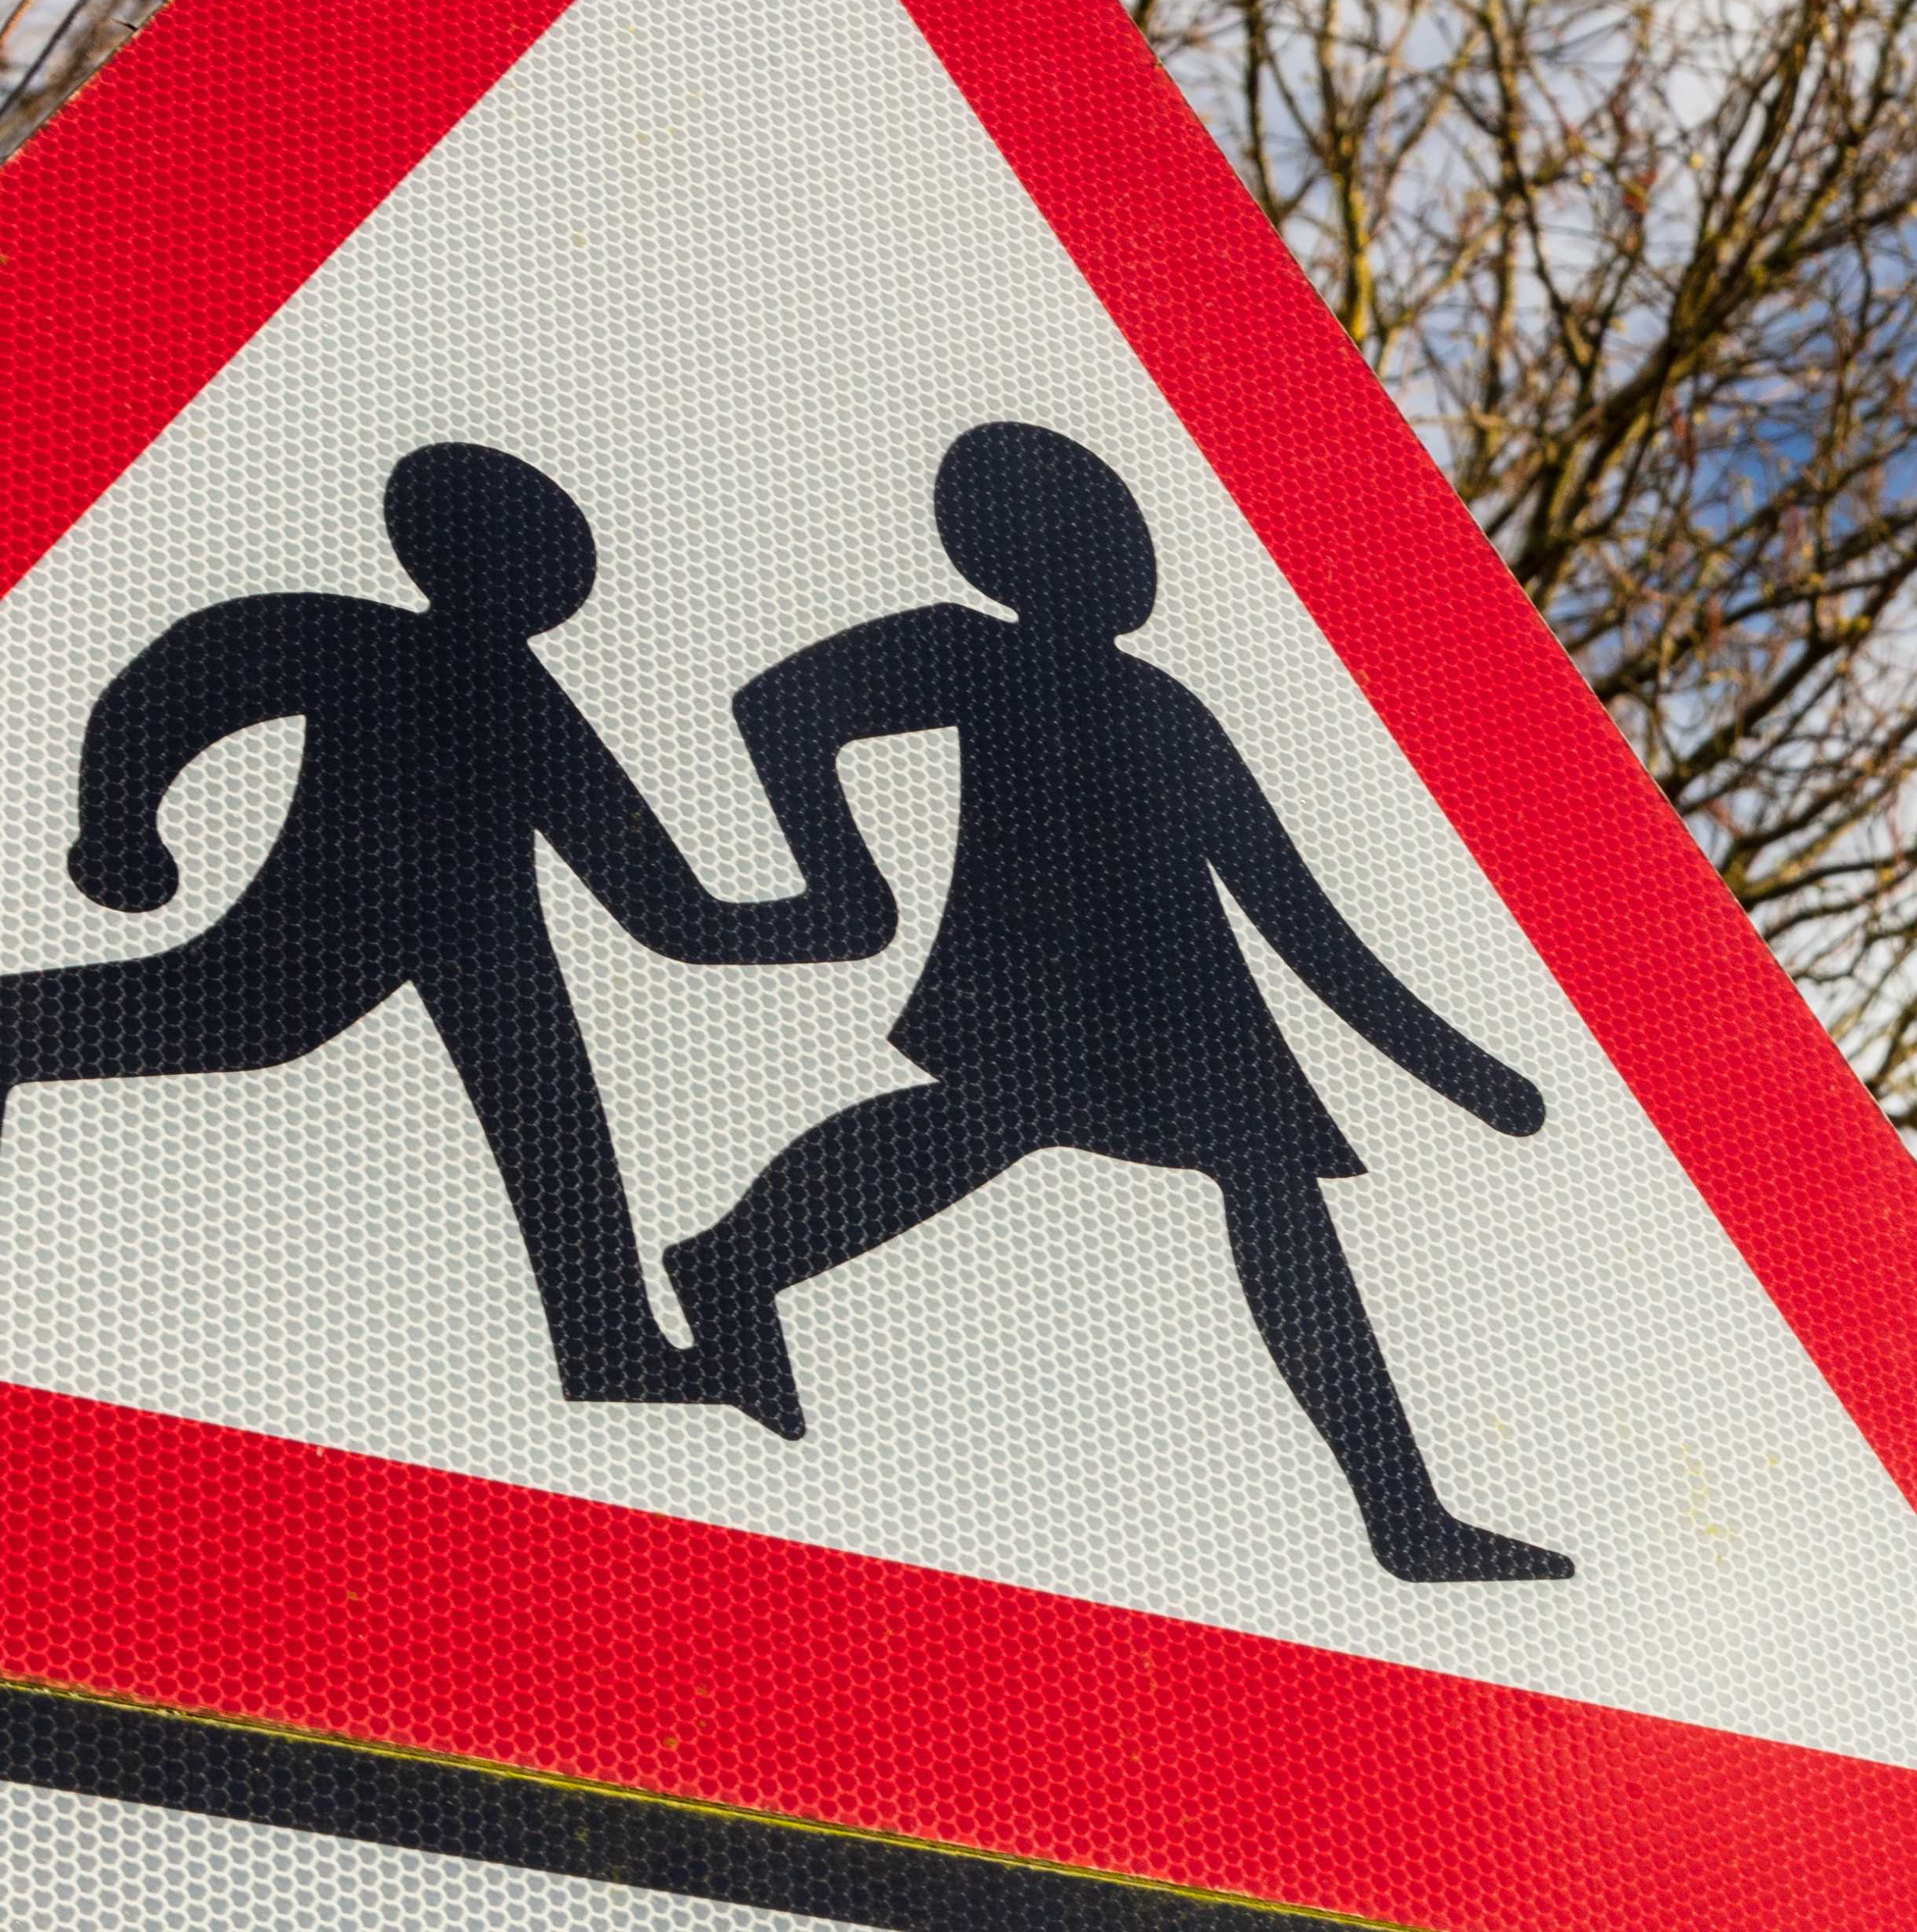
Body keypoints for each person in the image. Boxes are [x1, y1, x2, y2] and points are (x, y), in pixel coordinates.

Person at [667, 421, 1569, 1584]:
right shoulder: (973, 653)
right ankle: (731, 1265)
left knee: (1235, 1183)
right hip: (1044, 975)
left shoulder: (1161, 707)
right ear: (1012, 548)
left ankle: (1404, 1516)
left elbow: (1297, 914)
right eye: (1099, 534)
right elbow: (783, 706)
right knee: (985, 1128)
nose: (1132, 557)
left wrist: (1462, 1072)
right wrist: (844, 879)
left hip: (1183, 1005)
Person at [0, 441, 887, 1403]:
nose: (560, 579)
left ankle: (612, 1346)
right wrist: (119, 831)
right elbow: (183, 685)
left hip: (480, 944)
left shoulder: (504, 693)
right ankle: (612, 1345)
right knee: (273, 1028)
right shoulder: (381, 648)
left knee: (551, 1124)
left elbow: (663, 909)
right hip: (345, 921)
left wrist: (825, 925)